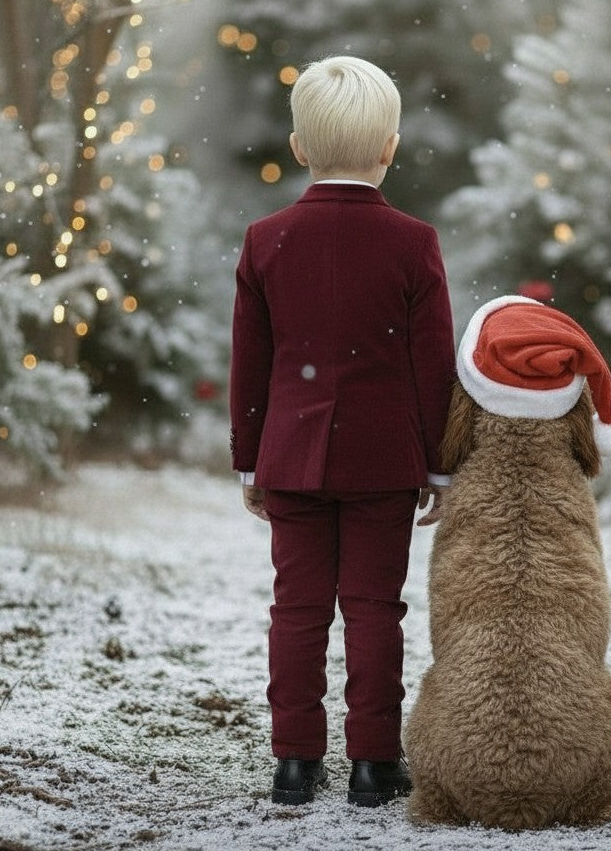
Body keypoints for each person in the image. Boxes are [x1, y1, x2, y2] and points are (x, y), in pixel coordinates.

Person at [228, 55, 456, 808]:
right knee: (374, 610)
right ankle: (373, 763)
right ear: (390, 147)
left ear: (299, 148)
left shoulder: (266, 239)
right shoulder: (413, 242)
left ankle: (294, 761)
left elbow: (251, 363)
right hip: (382, 460)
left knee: (295, 610)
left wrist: (250, 460)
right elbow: (431, 364)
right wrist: (439, 464)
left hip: (291, 457)